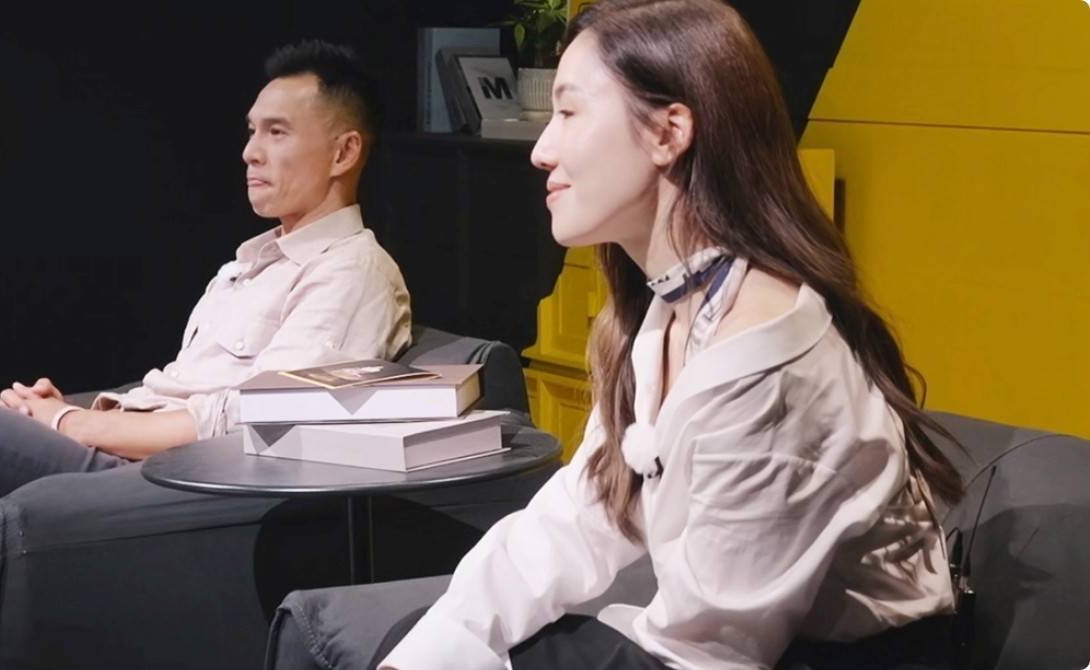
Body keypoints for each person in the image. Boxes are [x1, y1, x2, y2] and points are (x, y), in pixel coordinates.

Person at [370, 2, 962, 668]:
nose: (541, 150)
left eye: (569, 113)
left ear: (668, 132)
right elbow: (580, 517)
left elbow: (707, 654)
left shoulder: (765, 364)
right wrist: (449, 638)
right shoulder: (665, 312)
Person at [0, 40, 411, 550]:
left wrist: (72, 423)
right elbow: (185, 394)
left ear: (344, 153)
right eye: (252, 131)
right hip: (125, 457)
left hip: (159, 486)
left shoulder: (351, 270)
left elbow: (261, 420)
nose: (250, 152)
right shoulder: (247, 265)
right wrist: (71, 415)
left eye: (277, 132)